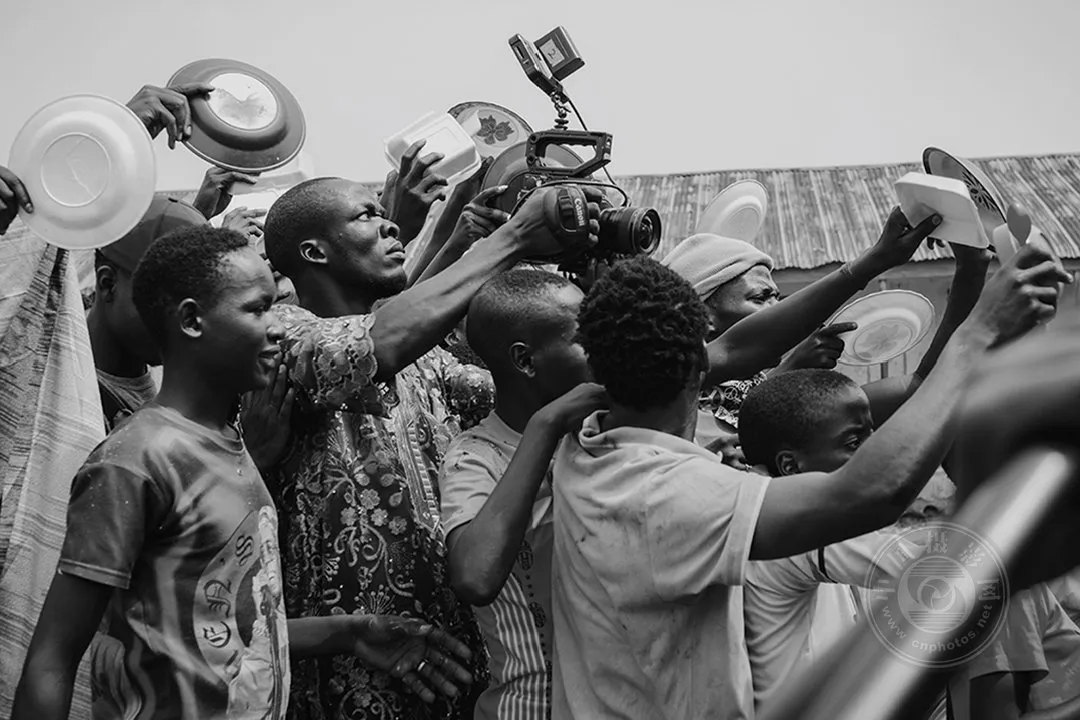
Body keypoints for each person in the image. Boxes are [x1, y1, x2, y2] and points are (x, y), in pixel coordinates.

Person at [550, 246, 1067, 719]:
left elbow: (741, 348)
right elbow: (871, 492)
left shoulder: (581, 446)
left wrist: (873, 262)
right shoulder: (674, 492)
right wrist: (977, 334)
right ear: (700, 361)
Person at [11, 227, 475, 720]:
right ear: (192, 320)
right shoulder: (135, 461)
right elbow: (53, 659)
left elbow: (216, 627)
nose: (278, 328)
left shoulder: (234, 443)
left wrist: (350, 632)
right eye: (257, 309)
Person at [262, 178, 593, 720]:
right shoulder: (282, 333)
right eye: (366, 215)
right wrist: (512, 237)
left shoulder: (429, 359)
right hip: (345, 680)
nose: (390, 224)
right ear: (314, 252)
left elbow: (521, 383)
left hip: (454, 667)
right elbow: (373, 345)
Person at [663, 211, 988, 464]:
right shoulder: (665, 404)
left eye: (779, 298)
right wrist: (786, 373)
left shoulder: (787, 400)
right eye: (761, 297)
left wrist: (970, 270)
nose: (780, 310)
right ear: (702, 316)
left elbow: (920, 388)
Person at [438, 269, 606, 720]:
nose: (605, 351)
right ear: (526, 360)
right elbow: (475, 576)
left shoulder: (602, 431)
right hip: (532, 706)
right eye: (586, 339)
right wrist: (545, 427)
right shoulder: (475, 457)